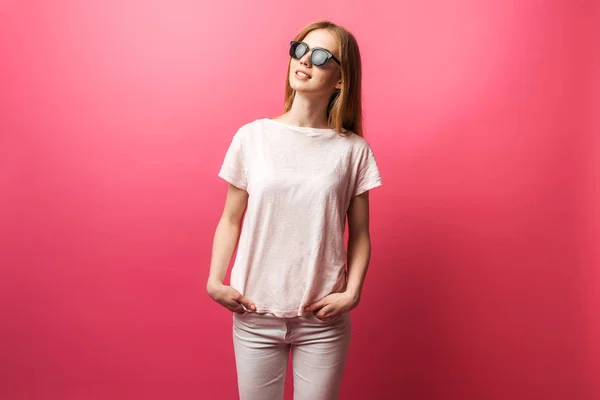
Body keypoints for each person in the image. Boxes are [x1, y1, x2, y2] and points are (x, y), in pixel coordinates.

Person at [206, 20, 383, 400]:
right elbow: (230, 218)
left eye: (321, 56)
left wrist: (353, 292)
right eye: (299, 49)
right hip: (255, 313)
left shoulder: (352, 150)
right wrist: (215, 280)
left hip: (323, 320)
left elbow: (361, 234)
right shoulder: (252, 137)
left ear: (340, 79)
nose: (305, 60)